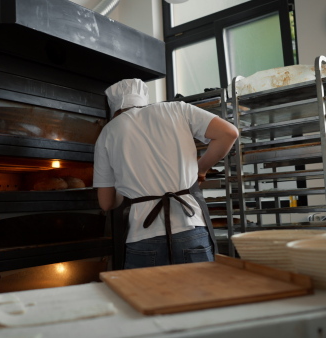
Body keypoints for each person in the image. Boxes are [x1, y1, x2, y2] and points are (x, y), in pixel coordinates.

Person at [93, 78, 239, 269]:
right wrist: (200, 169)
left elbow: (106, 203)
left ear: (114, 109)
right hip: (190, 227)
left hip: (142, 235)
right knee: (199, 297)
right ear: (144, 98)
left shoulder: (107, 132)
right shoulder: (177, 109)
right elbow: (229, 133)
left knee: (149, 299)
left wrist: (129, 186)